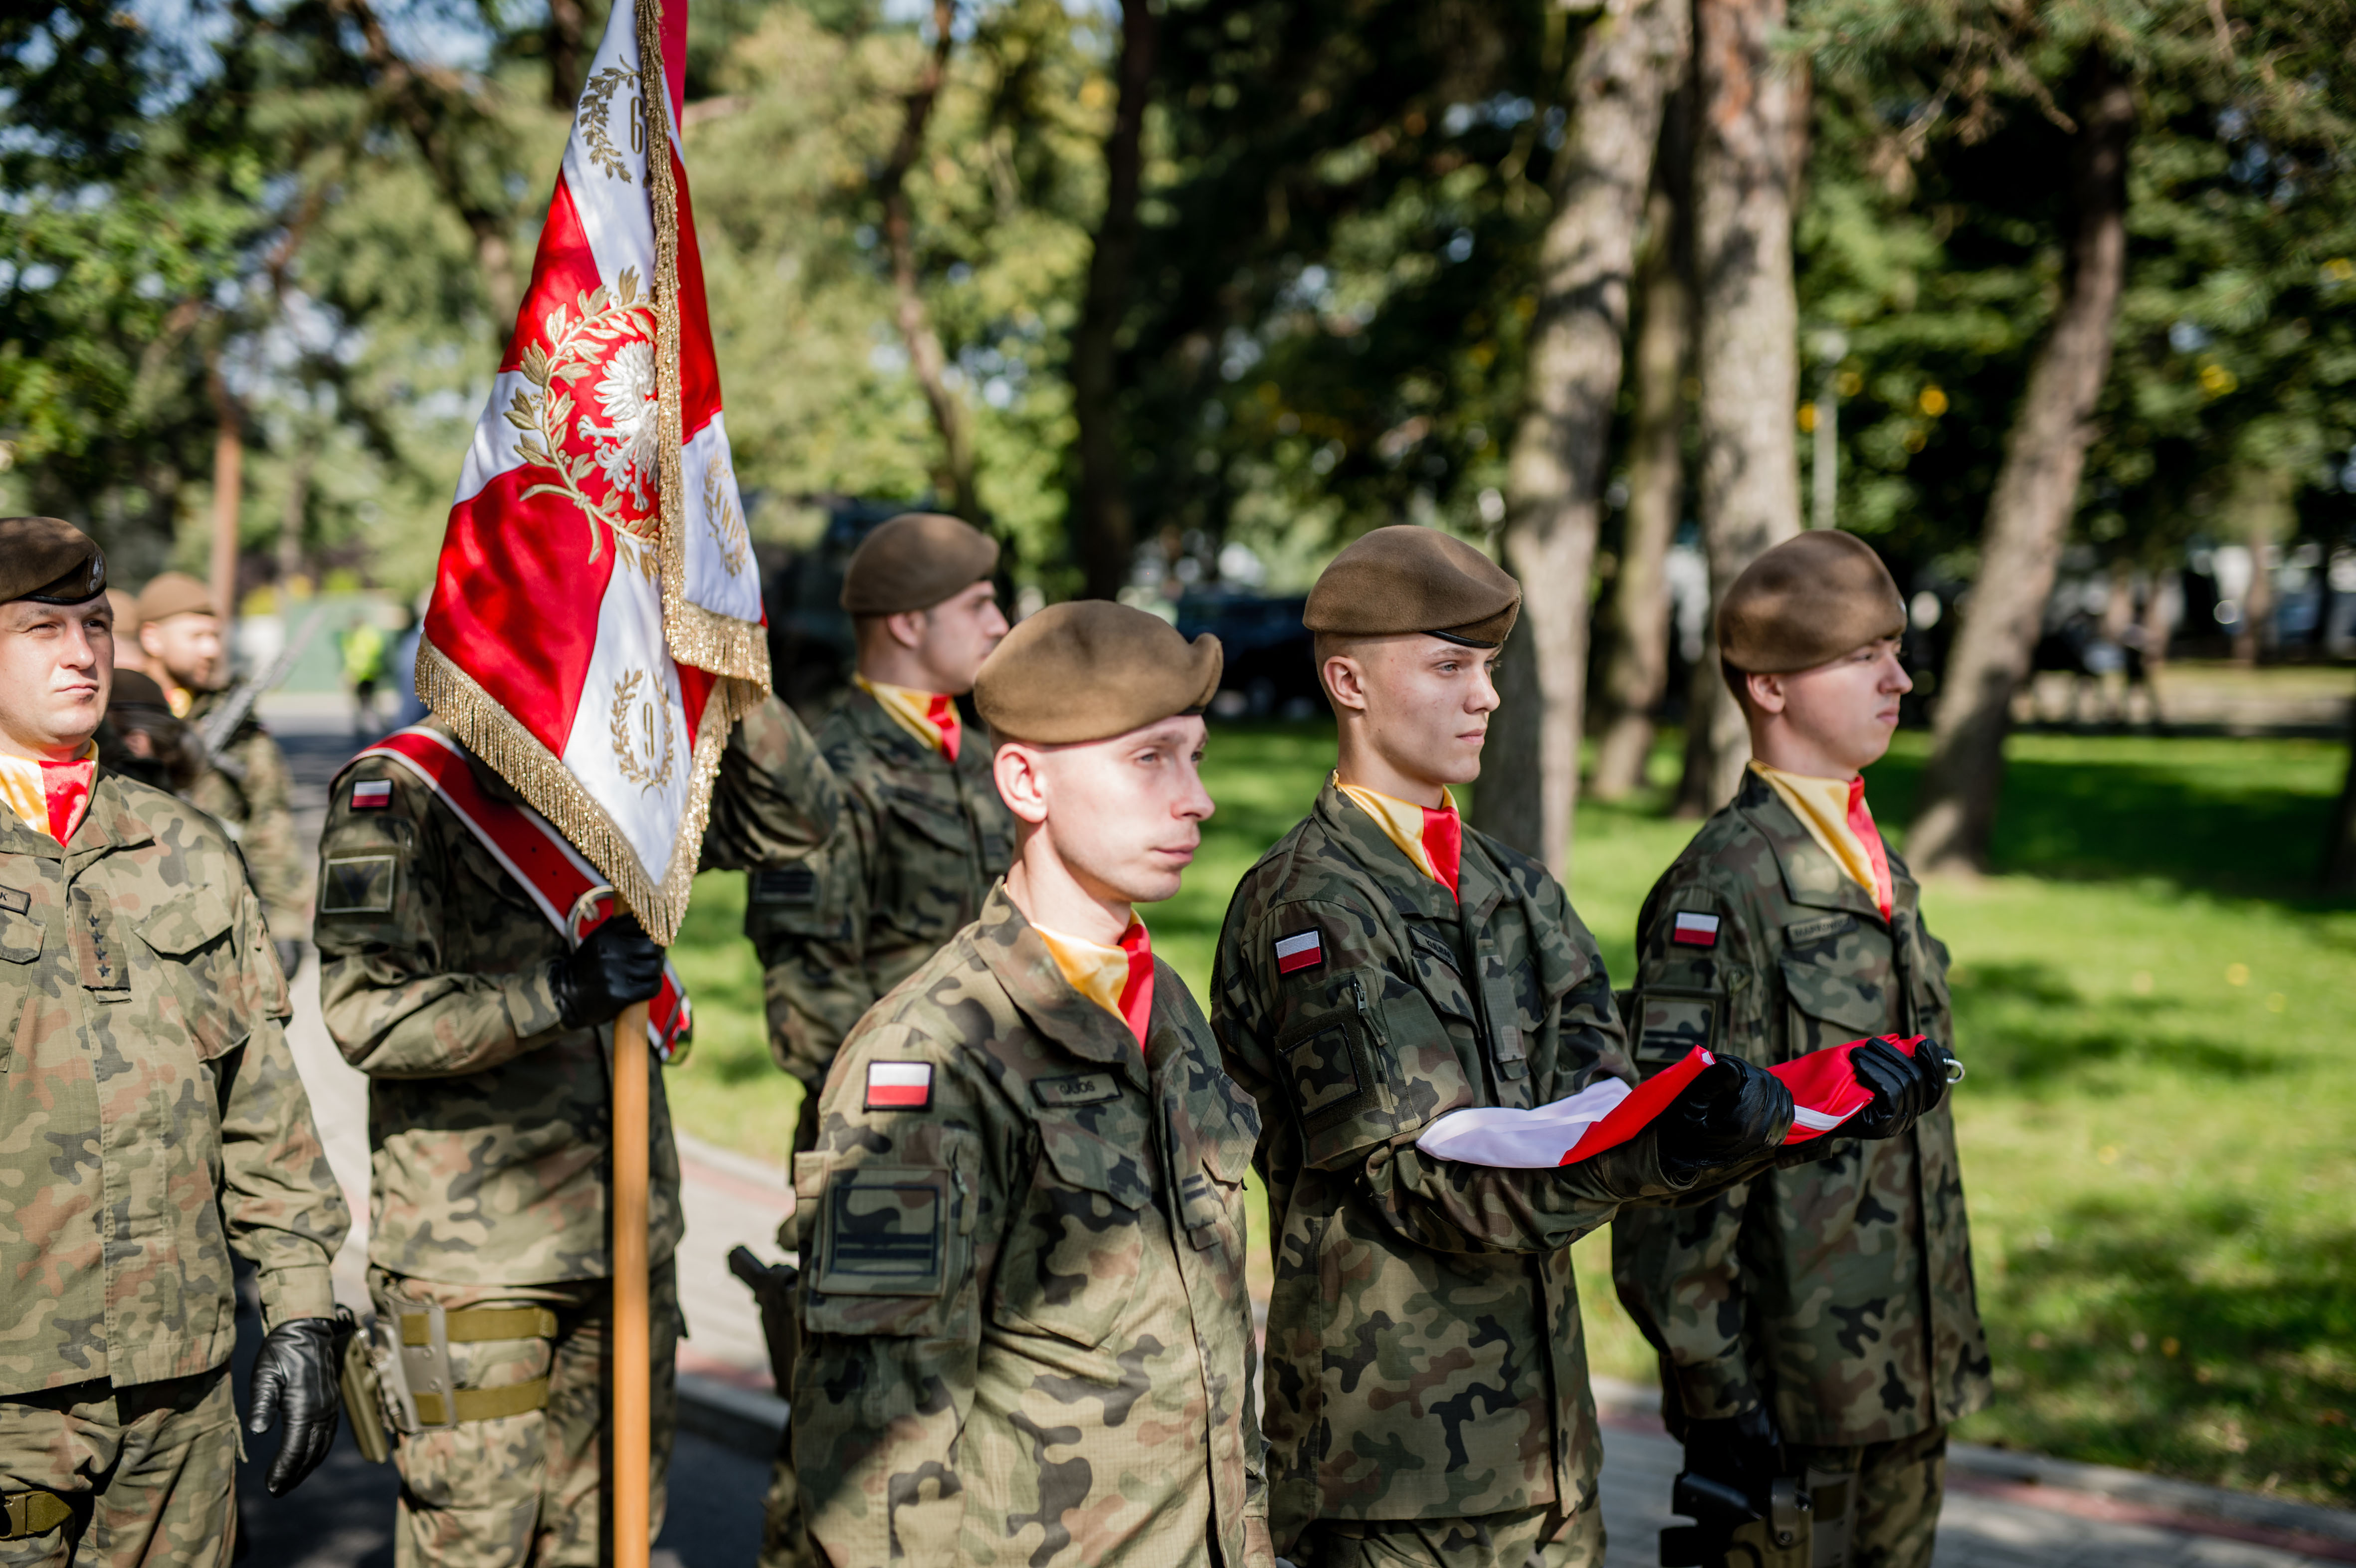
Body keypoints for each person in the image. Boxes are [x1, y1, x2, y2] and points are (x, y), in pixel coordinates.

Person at [1210, 527, 1945, 1568]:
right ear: (1347, 681)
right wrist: (1667, 1145)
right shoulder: (1311, 910)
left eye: (1490, 669)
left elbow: (1606, 1106)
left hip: (1548, 1456)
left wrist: (1781, 1112)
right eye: (1449, 666)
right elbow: (1427, 1182)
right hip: (1396, 1470)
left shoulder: (1515, 891)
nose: (1486, 698)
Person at [788, 600, 1273, 1568]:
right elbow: (876, 1458)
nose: (1196, 800)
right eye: (1149, 760)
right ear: (1024, 780)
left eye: (1196, 757)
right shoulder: (932, 1057)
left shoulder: (1166, 1009)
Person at [314, 690, 835, 1568]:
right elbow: (365, 1010)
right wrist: (553, 996)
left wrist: (721, 665)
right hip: (477, 1258)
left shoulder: (620, 776)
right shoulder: (402, 789)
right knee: (473, 1542)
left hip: (626, 1232)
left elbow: (796, 817)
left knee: (612, 1534)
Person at [1612, 530, 1990, 1568]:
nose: (1898, 678)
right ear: (1768, 686)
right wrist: (1718, 1399)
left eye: (1895, 649)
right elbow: (1669, 1165)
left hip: (1906, 1372)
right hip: (1791, 1399)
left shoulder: (1875, 863)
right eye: (1859, 656)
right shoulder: (1721, 888)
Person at [0, 517, 350, 1566]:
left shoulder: (185, 845)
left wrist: (299, 1311)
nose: (82, 652)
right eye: (41, 628)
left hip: (176, 1386)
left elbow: (261, 1104)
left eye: (98, 625)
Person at [753, 511, 1014, 1155]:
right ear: (907, 623)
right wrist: (917, 1114)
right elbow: (809, 997)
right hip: (891, 1146)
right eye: (978, 605)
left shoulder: (985, 758)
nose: (1000, 625)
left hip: (1007, 1127)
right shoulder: (830, 776)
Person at [134, 572, 308, 974]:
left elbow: (270, 821)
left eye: (215, 636)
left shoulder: (236, 723)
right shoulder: (112, 712)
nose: (212, 650)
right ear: (153, 639)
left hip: (217, 921)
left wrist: (284, 922)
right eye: (196, 636)